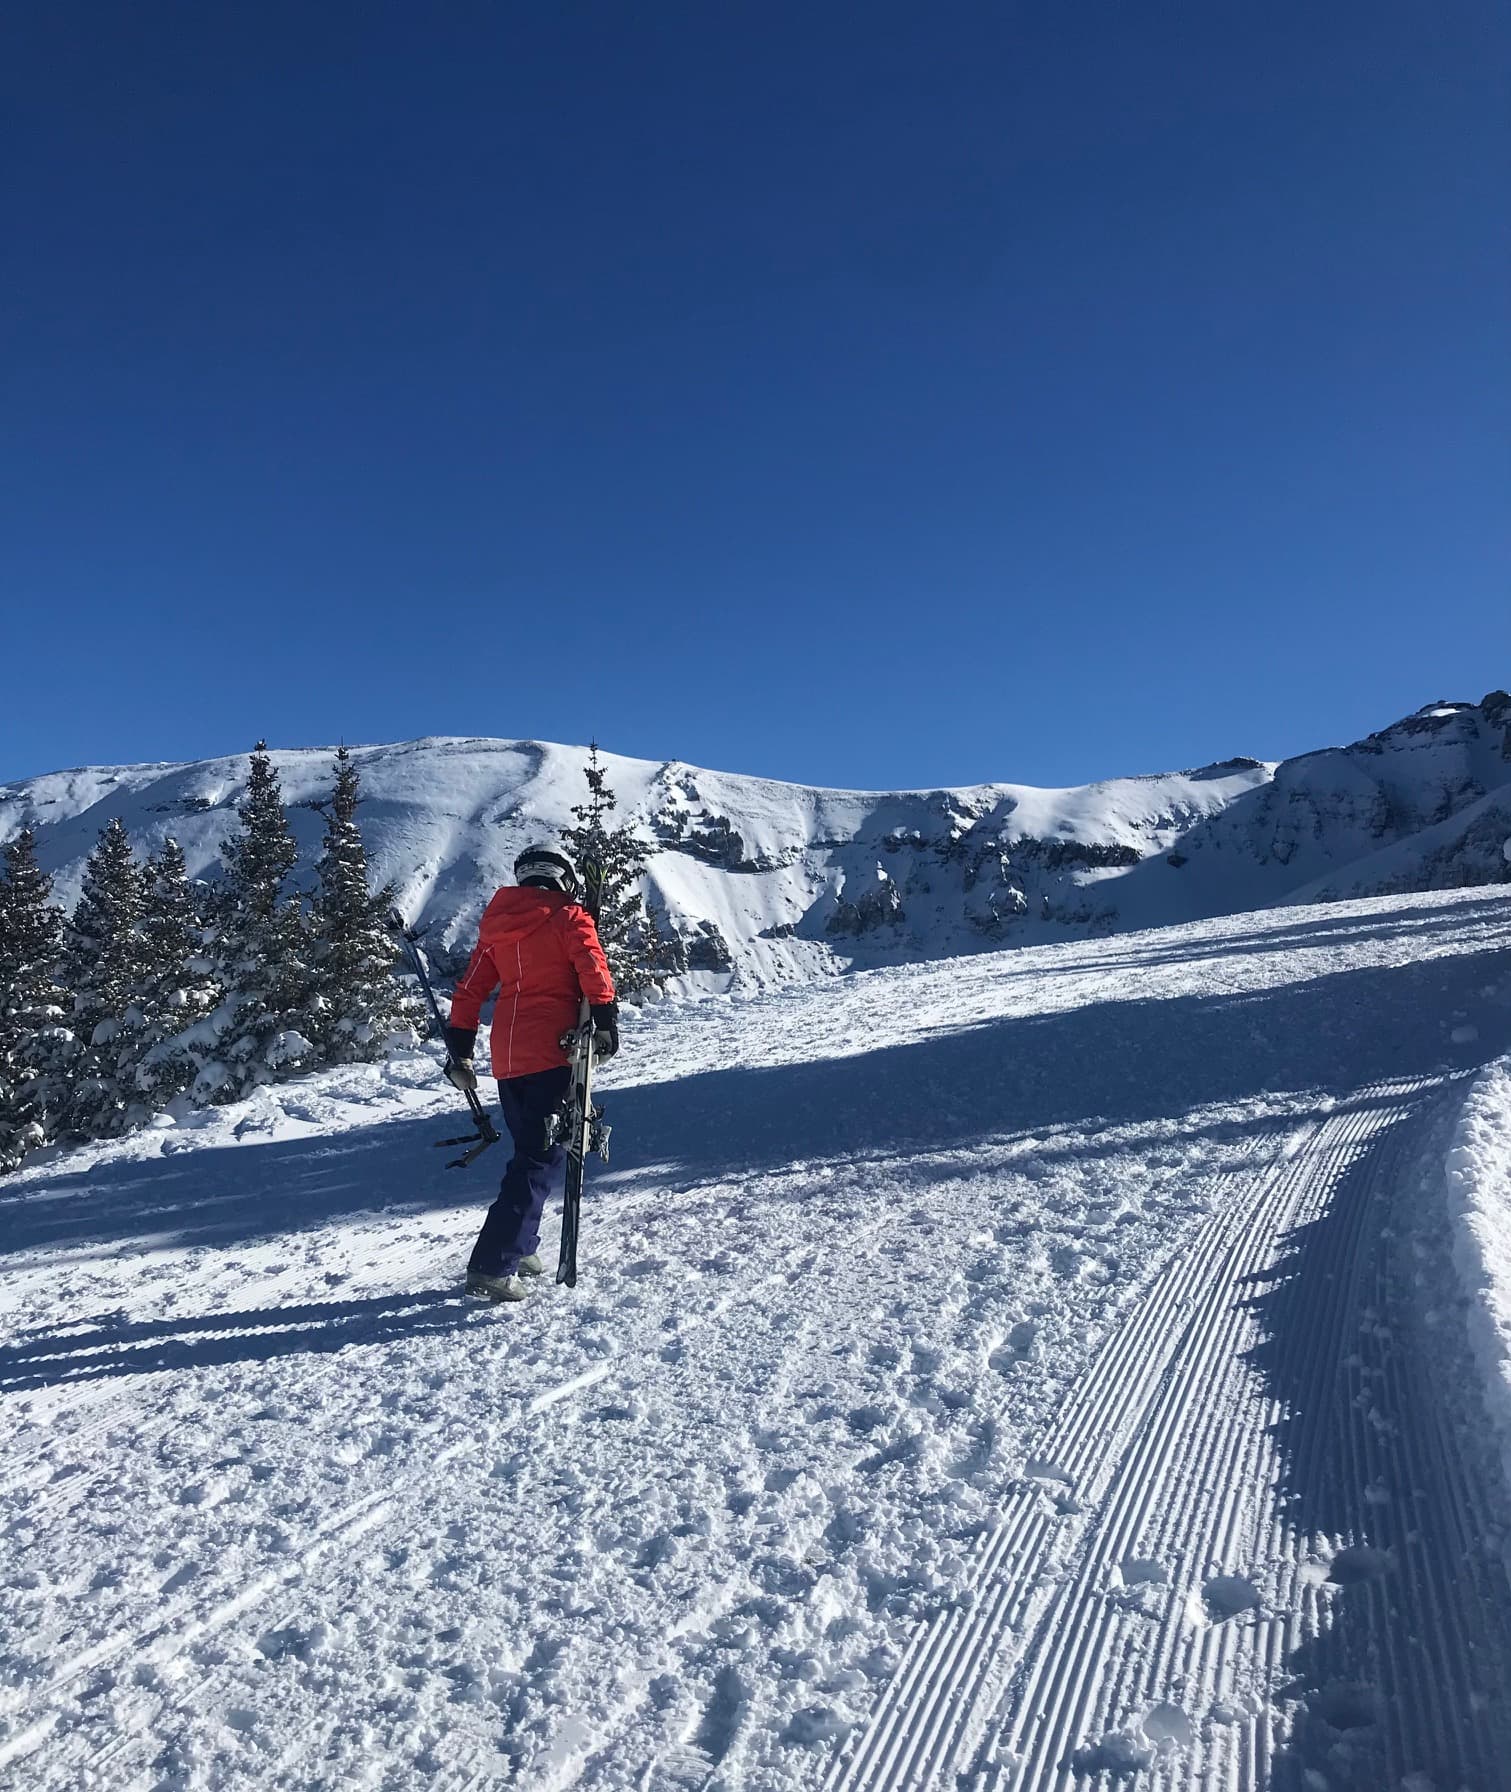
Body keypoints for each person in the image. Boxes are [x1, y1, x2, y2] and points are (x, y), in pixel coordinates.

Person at [443, 846, 619, 1302]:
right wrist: (605, 1022)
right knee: (539, 1158)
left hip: (507, 1053)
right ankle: (493, 1264)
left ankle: (520, 1247)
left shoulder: (495, 928)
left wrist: (461, 1052)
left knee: (533, 1148)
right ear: (563, 880)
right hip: (554, 1049)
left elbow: (468, 993)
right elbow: (592, 969)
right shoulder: (569, 917)